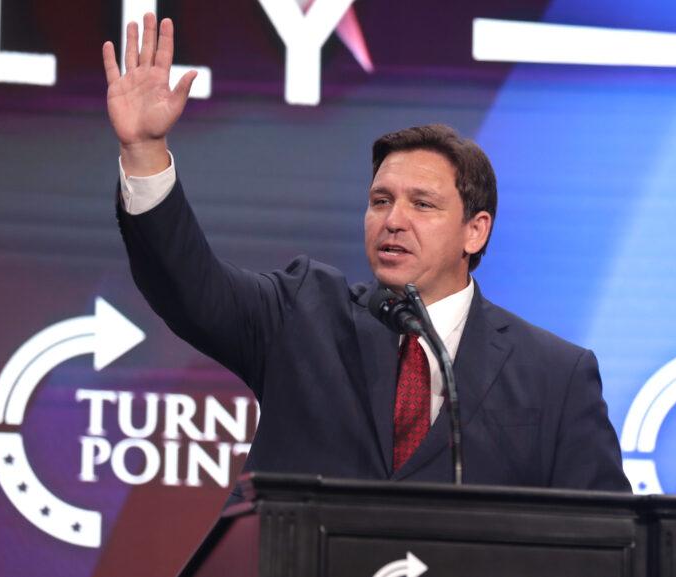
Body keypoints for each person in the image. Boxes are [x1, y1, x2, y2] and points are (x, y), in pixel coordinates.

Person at [104, 14, 631, 506]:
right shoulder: (302, 314)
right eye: (380, 201)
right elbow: (190, 286)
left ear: (475, 230)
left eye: (422, 204)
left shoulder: (555, 375)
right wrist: (145, 152)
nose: (393, 220)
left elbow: (607, 538)